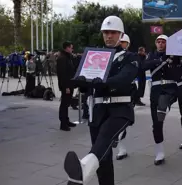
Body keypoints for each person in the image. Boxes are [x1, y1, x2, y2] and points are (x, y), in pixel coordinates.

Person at [64, 16, 139, 185]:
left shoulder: (130, 57)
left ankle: (83, 169)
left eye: (113, 32)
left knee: (105, 137)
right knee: (103, 158)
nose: (109, 36)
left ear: (121, 35)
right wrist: (82, 84)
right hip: (97, 112)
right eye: (106, 32)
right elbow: (90, 85)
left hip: (119, 109)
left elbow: (124, 78)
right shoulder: (96, 56)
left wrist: (105, 83)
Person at [143, 34, 181, 165]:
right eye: (158, 42)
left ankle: (166, 106)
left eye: (163, 42)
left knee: (165, 102)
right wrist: (159, 61)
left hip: (170, 88)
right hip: (156, 90)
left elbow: (180, 67)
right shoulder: (151, 56)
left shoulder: (174, 55)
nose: (160, 44)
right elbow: (144, 66)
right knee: (157, 123)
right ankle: (159, 152)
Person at [56, 41, 77, 131]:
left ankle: (66, 120)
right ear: (67, 48)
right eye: (71, 48)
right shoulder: (62, 58)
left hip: (70, 84)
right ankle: (63, 123)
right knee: (64, 104)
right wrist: (66, 87)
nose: (72, 50)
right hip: (66, 85)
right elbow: (63, 75)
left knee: (67, 103)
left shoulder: (67, 57)